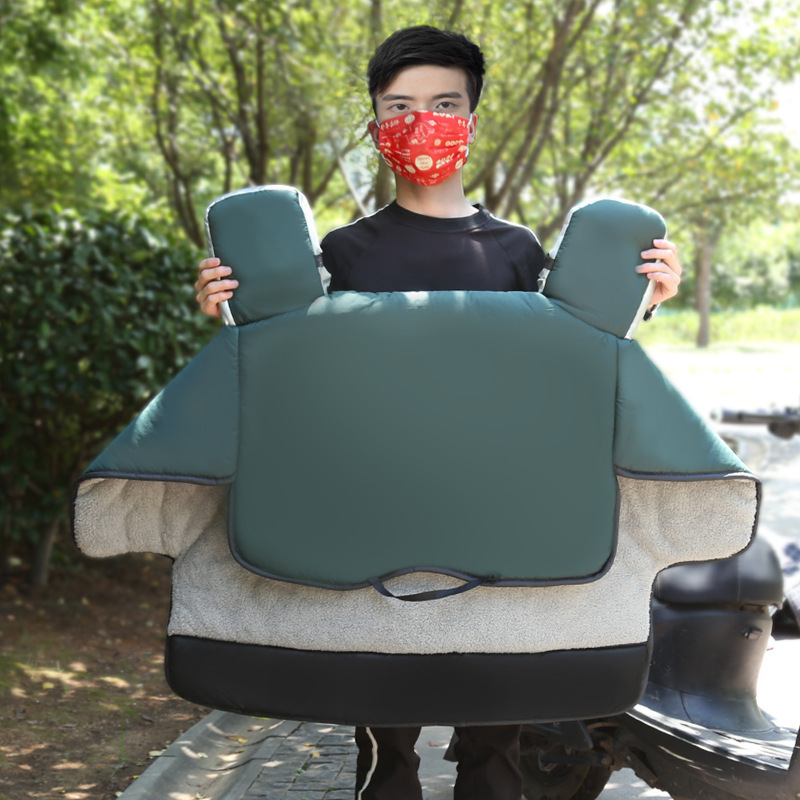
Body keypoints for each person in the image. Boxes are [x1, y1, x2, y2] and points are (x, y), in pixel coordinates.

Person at [194, 25, 682, 800]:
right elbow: (300, 378)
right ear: (376, 125)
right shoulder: (343, 253)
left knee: (496, 745)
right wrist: (230, 317)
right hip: (377, 515)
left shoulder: (517, 251)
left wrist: (643, 302)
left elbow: (567, 370)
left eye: (443, 104)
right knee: (385, 744)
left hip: (497, 516)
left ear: (471, 122)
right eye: (401, 106)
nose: (422, 122)